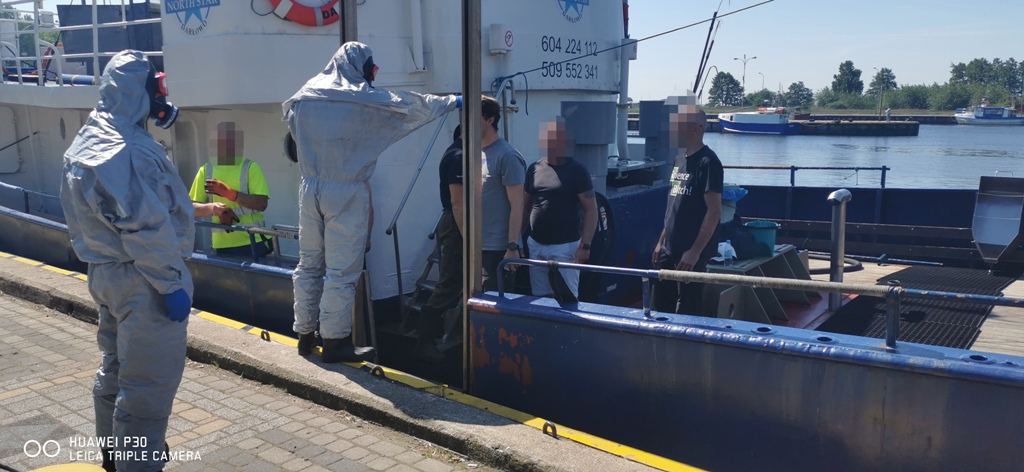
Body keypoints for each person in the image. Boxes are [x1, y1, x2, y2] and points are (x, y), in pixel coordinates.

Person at [283, 41, 460, 363]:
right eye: (371, 68)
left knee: (308, 265)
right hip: (346, 191)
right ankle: (335, 342)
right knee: (341, 272)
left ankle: (305, 336)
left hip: (308, 188)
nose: (372, 74)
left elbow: (292, 130)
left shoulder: (306, 95)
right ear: (362, 67)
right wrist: (453, 101)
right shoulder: (361, 98)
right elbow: (407, 105)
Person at [59, 50, 193, 472]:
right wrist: (171, 284)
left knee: (115, 369)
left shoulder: (86, 140)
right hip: (144, 282)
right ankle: (137, 463)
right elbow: (146, 228)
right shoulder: (128, 150)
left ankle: (114, 455)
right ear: (142, 92)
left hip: (105, 274)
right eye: (156, 89)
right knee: (147, 386)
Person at [652, 96, 723, 316]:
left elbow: (714, 212)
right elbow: (674, 204)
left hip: (690, 253)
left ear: (694, 128)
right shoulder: (679, 160)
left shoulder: (708, 162)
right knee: (660, 308)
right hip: (668, 249)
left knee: (687, 310)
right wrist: (661, 242)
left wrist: (695, 252)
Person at [524, 117, 598, 301]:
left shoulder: (577, 171)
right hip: (536, 245)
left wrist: (585, 246)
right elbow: (525, 206)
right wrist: (516, 241)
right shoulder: (534, 168)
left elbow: (591, 210)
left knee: (568, 299)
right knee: (540, 299)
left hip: (565, 247)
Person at [415, 125, 464, 363]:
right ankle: (425, 341)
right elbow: (458, 203)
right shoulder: (458, 156)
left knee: (454, 282)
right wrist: (467, 234)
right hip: (457, 224)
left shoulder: (456, 153)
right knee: (450, 281)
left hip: (457, 222)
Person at [189, 121, 272, 258]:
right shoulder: (205, 171)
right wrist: (212, 208)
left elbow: (262, 204)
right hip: (221, 246)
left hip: (254, 242)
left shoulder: (250, 167)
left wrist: (230, 194)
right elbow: (190, 208)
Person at [480, 95, 527, 292]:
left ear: (490, 120)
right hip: (478, 244)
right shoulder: (476, 152)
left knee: (496, 303)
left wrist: (512, 247)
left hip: (499, 248)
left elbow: (518, 204)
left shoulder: (508, 156)